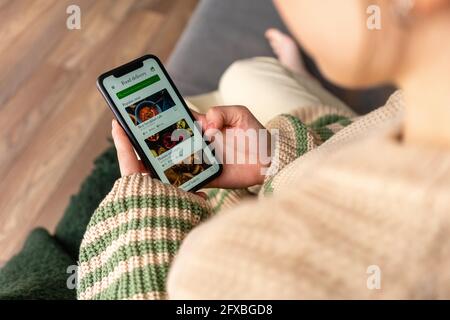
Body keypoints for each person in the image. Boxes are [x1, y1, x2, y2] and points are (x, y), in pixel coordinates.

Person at [77, 0, 450, 299]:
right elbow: (357, 151)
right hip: (286, 157)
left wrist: (143, 209)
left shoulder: (225, 269)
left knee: (231, 83)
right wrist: (273, 159)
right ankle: (300, 81)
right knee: (244, 77)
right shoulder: (414, 112)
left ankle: (298, 81)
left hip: (262, 185)